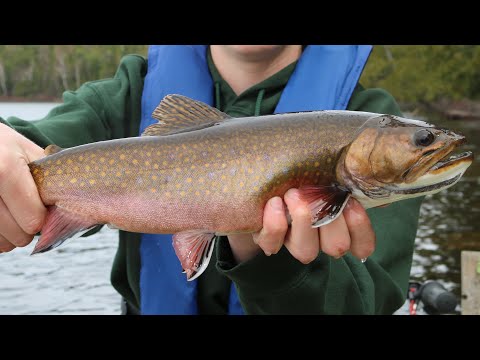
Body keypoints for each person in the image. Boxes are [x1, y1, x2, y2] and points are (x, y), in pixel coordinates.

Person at [0, 45, 423, 314]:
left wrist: (273, 266)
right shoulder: (122, 98)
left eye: (421, 141)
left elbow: (367, 302)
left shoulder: (366, 118)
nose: (423, 144)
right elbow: (24, 146)